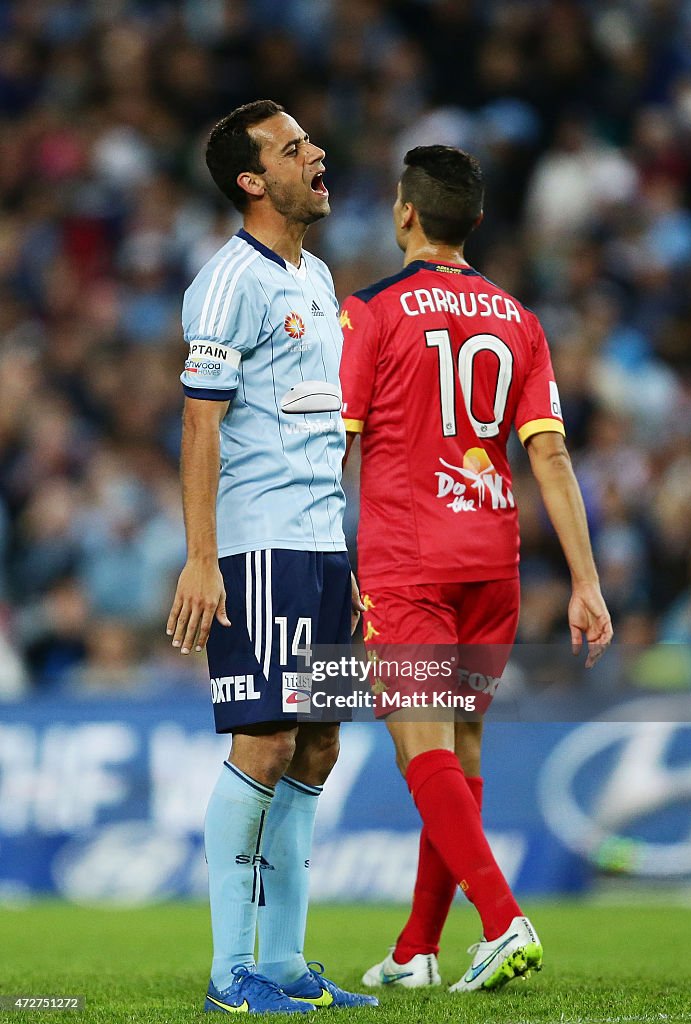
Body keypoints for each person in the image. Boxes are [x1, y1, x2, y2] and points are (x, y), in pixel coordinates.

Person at [339, 145, 613, 993]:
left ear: (405, 214)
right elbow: (553, 458)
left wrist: (328, 557)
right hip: (493, 559)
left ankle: (503, 921)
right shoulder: (516, 317)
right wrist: (587, 582)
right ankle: (418, 948)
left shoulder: (371, 311)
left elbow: (336, 444)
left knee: (421, 749)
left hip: (409, 558)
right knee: (458, 748)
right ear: (477, 223)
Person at [166, 100, 376, 1015]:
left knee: (319, 746)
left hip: (323, 547)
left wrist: (349, 557)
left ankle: (285, 964)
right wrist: (201, 558)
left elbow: (321, 428)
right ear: (253, 181)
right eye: (293, 149)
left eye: (309, 143)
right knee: (266, 738)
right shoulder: (227, 281)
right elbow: (199, 423)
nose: (315, 154)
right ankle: (228, 975)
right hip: (257, 546)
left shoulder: (318, 277)